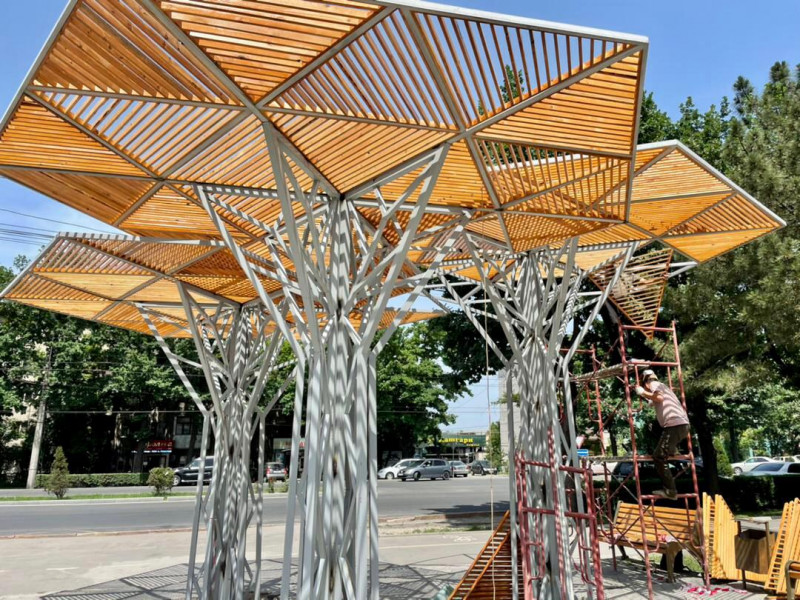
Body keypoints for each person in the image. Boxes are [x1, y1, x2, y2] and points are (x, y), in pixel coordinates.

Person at [635, 369, 690, 499]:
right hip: (680, 425)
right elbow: (654, 401)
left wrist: (642, 392)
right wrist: (645, 395)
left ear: (645, 382)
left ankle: (670, 491)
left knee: (658, 457)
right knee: (655, 427)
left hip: (674, 426)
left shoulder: (654, 384)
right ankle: (672, 449)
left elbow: (659, 398)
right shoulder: (664, 387)